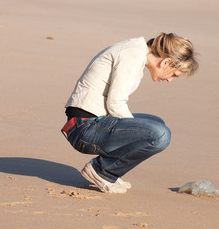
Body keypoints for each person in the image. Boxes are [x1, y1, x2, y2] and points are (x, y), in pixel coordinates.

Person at [61, 32, 199, 193]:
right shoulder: (132, 55)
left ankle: (109, 171)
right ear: (166, 62)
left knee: (157, 123)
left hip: (90, 124)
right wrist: (136, 132)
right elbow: (115, 103)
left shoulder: (136, 52)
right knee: (159, 134)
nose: (170, 80)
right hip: (84, 129)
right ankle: (102, 171)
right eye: (174, 75)